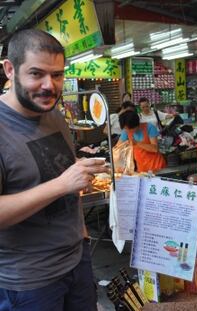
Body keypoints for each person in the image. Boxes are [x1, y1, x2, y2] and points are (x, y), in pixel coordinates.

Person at [0, 29, 108, 311]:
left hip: (77, 261)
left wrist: (82, 237)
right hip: (30, 282)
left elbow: (67, 182)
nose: (50, 85)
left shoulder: (54, 115)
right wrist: (62, 184)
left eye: (57, 75)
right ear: (10, 70)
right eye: (36, 74)